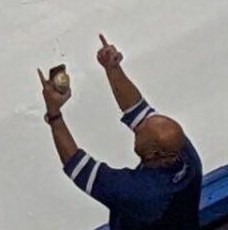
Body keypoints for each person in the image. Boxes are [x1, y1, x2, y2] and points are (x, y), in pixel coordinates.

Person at [39, 36, 201, 230]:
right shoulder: (185, 155)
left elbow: (79, 168)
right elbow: (138, 110)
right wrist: (112, 68)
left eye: (139, 132)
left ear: (151, 153)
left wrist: (54, 113)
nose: (137, 125)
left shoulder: (141, 193)